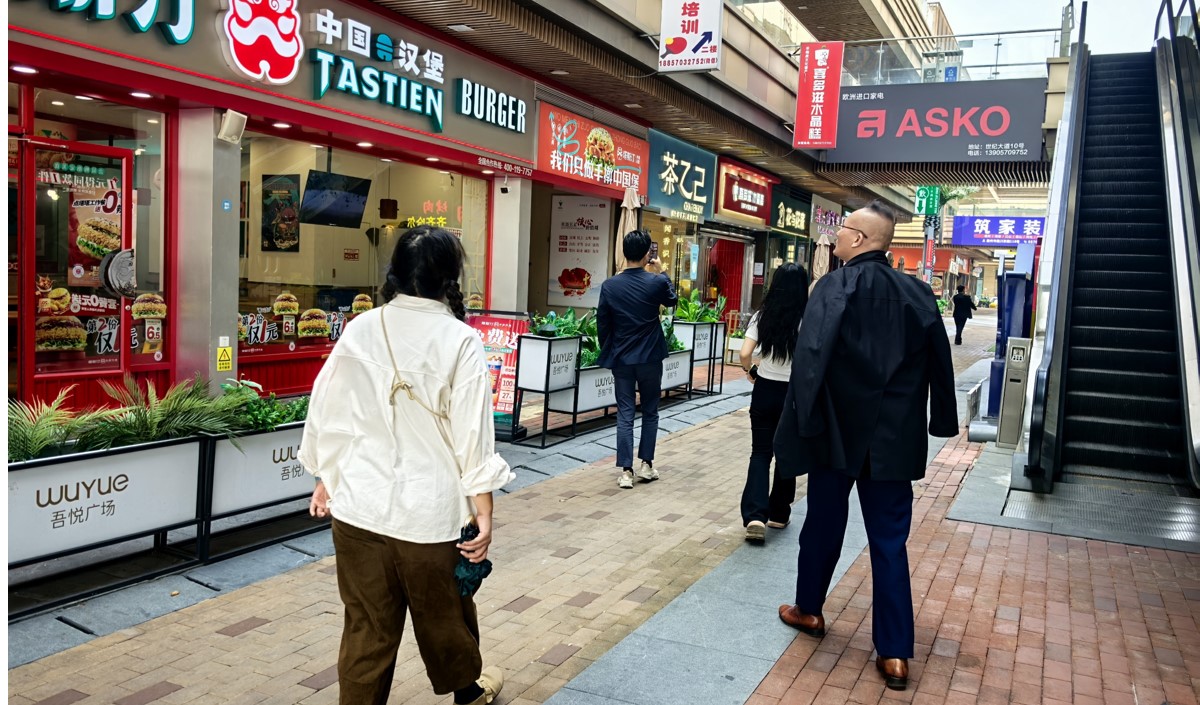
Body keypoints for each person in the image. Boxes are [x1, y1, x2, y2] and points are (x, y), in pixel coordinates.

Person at [300, 226, 515, 705]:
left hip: (357, 507)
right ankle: (468, 692)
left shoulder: (360, 328)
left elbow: (328, 410)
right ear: (449, 279)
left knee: (366, 628)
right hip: (429, 515)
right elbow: (473, 437)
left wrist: (325, 477)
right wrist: (485, 512)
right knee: (446, 615)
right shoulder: (461, 341)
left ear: (394, 272)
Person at [773, 201, 958, 692]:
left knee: (823, 524)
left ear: (858, 239)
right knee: (890, 542)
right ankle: (894, 652)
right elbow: (942, 364)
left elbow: (810, 361)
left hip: (835, 434)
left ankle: (809, 609)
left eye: (840, 228)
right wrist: (942, 418)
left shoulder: (833, 288)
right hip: (894, 440)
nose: (834, 236)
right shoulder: (918, 294)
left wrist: (801, 423)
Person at [597, 229, 679, 489]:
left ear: (624, 253)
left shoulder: (610, 286)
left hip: (621, 357)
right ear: (647, 255)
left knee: (625, 412)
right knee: (651, 410)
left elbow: (603, 323)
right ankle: (646, 464)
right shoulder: (655, 282)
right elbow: (672, 299)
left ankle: (626, 472)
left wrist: (608, 349)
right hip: (650, 356)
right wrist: (663, 271)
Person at [738, 263, 809, 542]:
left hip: (765, 390)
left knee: (760, 452)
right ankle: (779, 513)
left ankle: (755, 515)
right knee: (786, 452)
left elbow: (745, 353)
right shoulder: (808, 317)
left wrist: (750, 371)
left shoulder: (762, 316)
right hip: (794, 394)